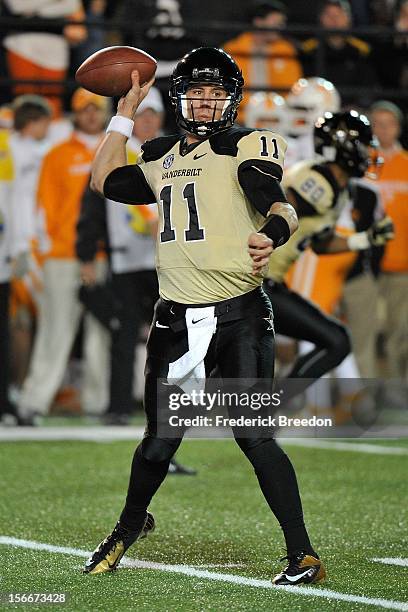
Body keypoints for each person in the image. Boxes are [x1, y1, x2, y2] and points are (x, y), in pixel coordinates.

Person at [83, 46, 327, 586]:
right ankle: (127, 526)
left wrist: (273, 230)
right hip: (176, 320)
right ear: (180, 98)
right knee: (158, 443)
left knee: (254, 435)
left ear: (232, 101)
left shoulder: (246, 144)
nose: (207, 102)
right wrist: (123, 113)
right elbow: (102, 180)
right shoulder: (159, 152)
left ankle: (302, 553)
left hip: (239, 315)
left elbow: (274, 197)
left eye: (218, 93)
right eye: (198, 91)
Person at [263, 111, 394, 393]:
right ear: (343, 148)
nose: (368, 153)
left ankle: (266, 411)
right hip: (254, 282)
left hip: (270, 283)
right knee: (336, 341)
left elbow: (320, 243)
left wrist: (364, 239)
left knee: (336, 340)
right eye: (362, 146)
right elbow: (274, 214)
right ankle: (268, 410)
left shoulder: (339, 188)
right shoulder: (315, 181)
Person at [17, 88, 110, 423]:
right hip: (62, 254)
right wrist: (43, 251)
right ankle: (34, 401)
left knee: (102, 333)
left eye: (96, 109)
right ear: (74, 113)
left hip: (103, 255)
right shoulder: (56, 155)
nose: (90, 114)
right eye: (84, 109)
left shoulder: (119, 151)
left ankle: (98, 405)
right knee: (55, 329)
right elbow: (43, 208)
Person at [370, 100, 408, 382]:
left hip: (401, 265)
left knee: (398, 331)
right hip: (365, 264)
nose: (382, 130)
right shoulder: (363, 163)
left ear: (397, 127)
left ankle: (394, 386)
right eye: (377, 124)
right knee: (368, 329)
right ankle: (367, 391)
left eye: (388, 123)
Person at [223, 1, 302, 113]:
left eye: (282, 23)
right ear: (258, 22)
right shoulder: (233, 50)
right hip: (240, 118)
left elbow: (294, 90)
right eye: (275, 22)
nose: (280, 27)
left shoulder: (286, 51)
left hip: (277, 118)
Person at [301, 0, 377, 105]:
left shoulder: (361, 50)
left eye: (339, 15)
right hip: (318, 106)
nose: (334, 20)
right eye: (329, 15)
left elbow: (367, 86)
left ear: (348, 18)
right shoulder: (309, 50)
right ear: (321, 18)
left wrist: (358, 106)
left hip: (352, 108)